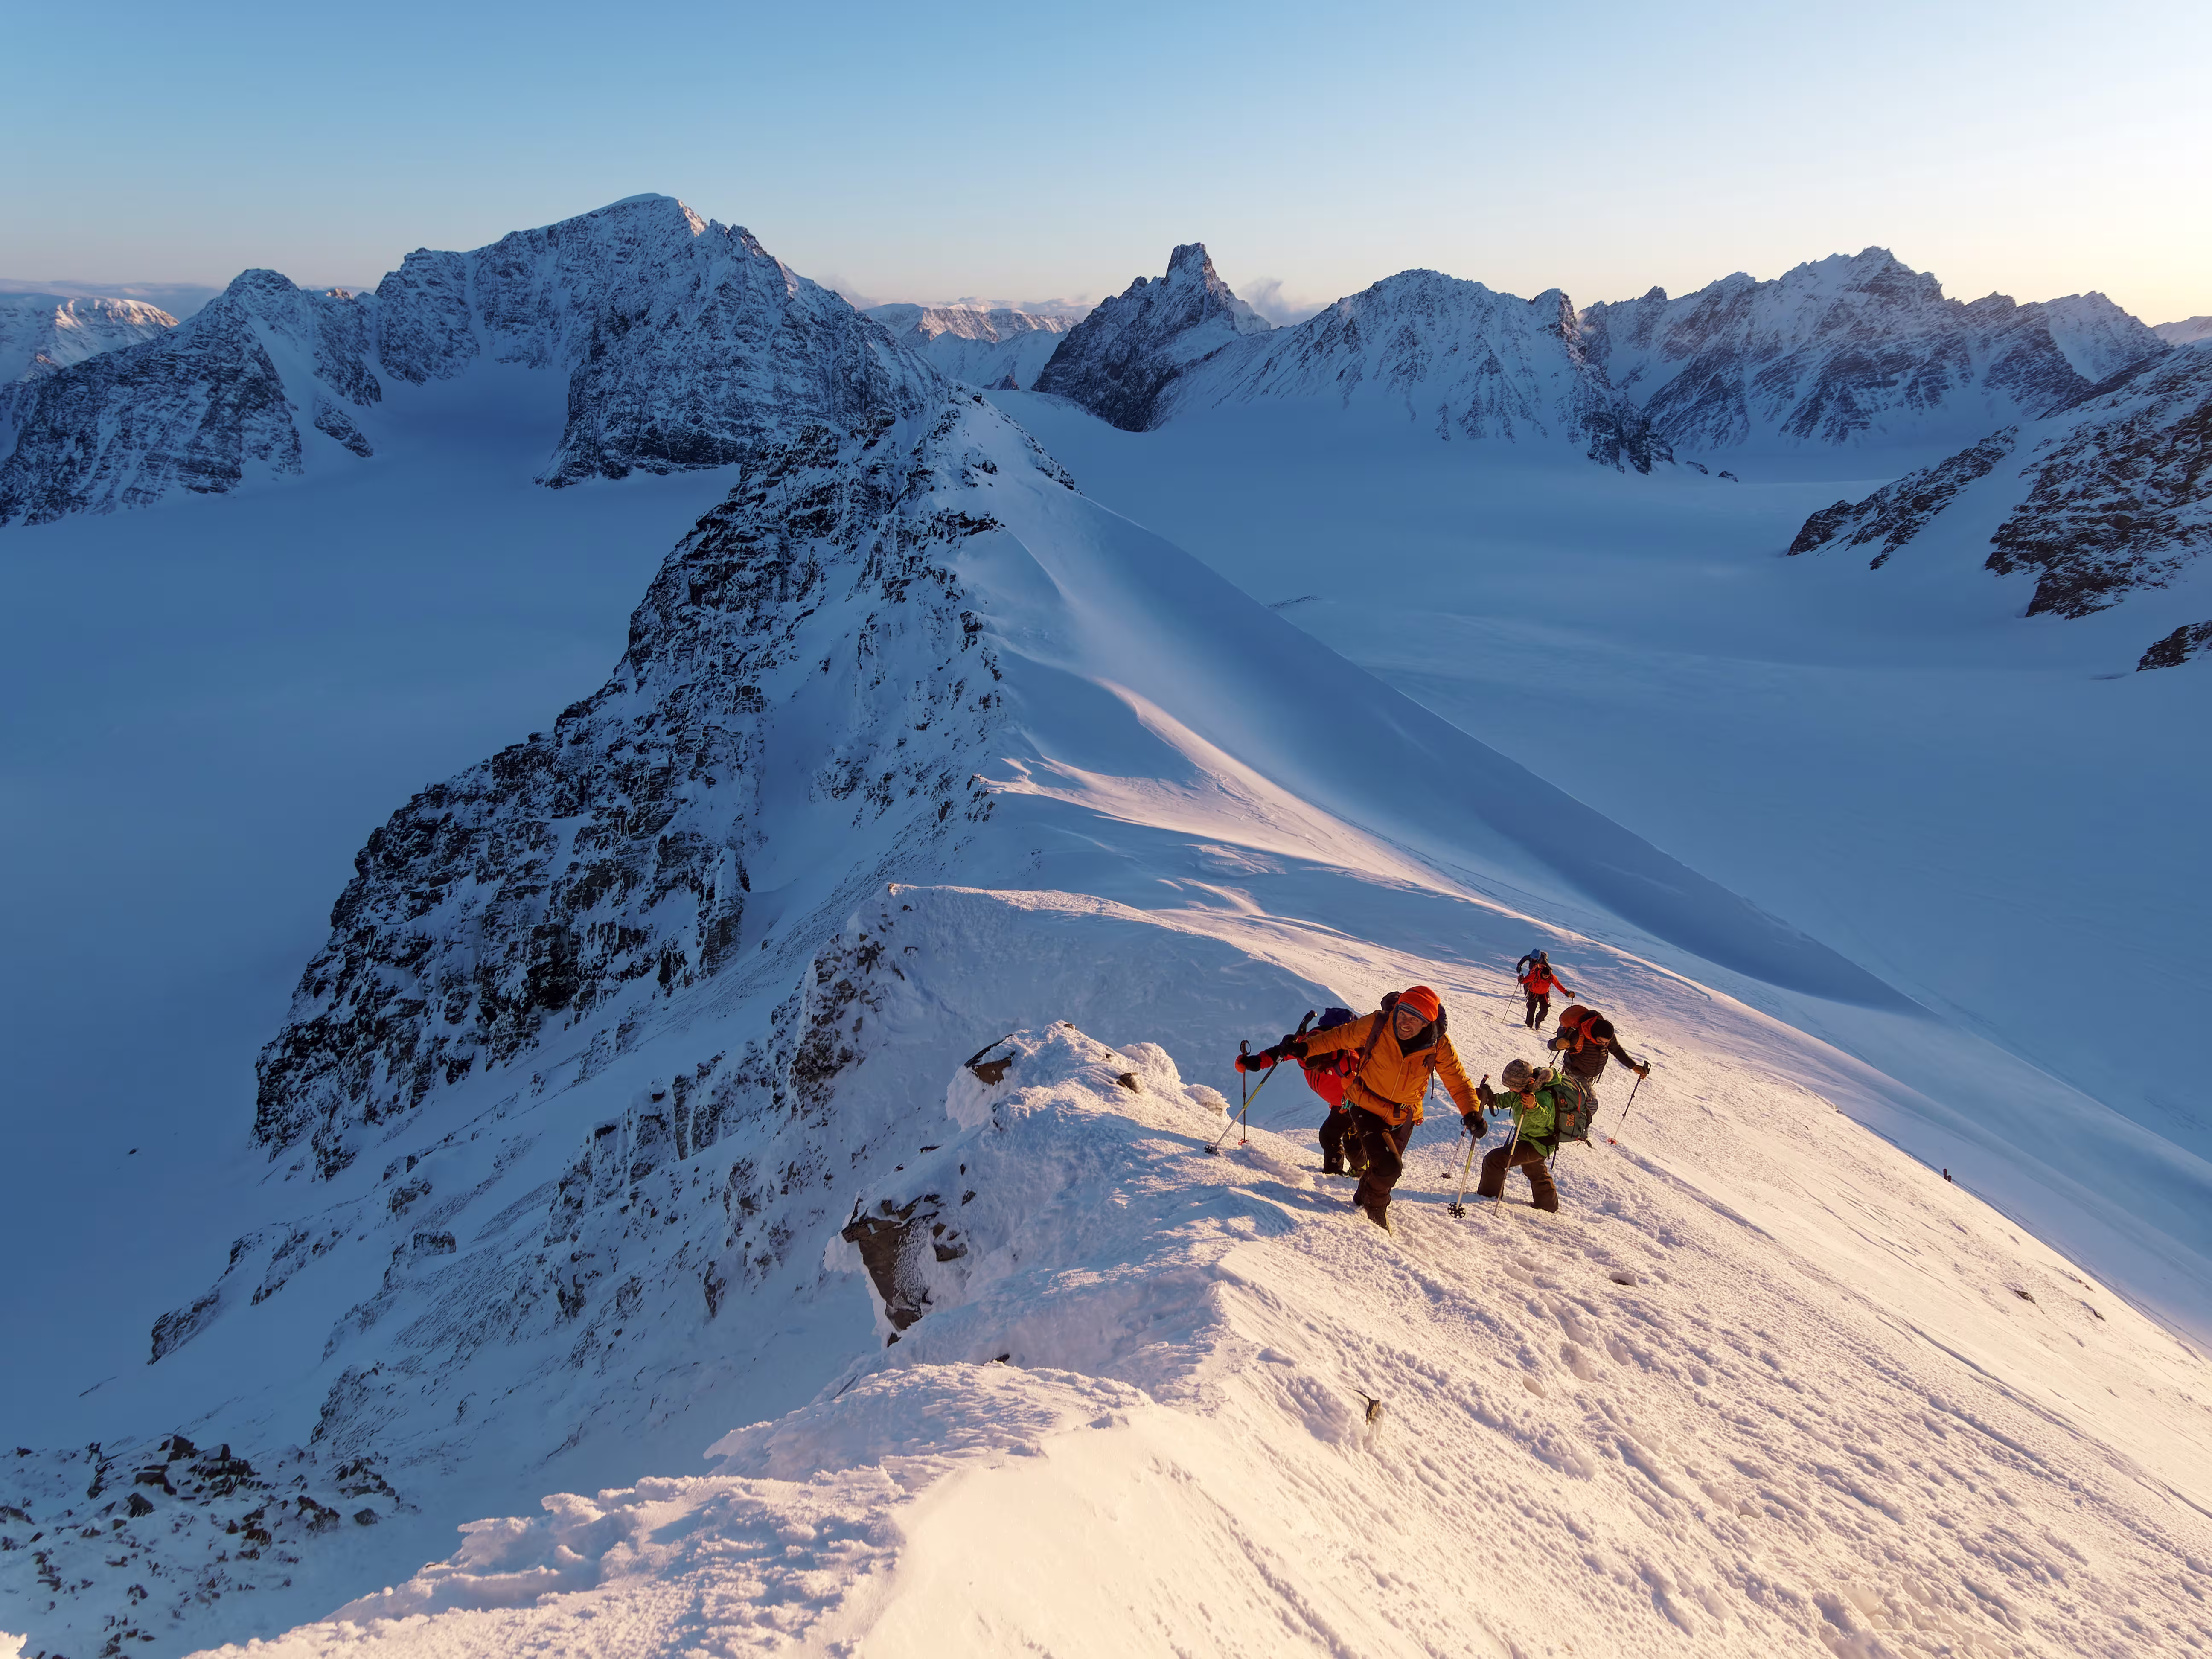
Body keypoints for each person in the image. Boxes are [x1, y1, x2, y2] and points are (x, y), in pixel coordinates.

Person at [1273, 986, 1479, 1230]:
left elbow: (1458, 1081)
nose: (1404, 1023)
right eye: (1403, 1014)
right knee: (1391, 1166)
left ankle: (1362, 1199)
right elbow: (1338, 1037)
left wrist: (1471, 1112)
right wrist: (1305, 1049)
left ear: (1427, 1022)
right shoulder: (1379, 1025)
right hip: (1365, 1103)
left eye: (1414, 1019)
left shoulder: (1439, 1045)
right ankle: (1375, 1213)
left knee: (1382, 1167)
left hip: (1403, 1114)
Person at [1473, 1059, 1581, 1211]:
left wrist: (1533, 1106)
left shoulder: (1542, 1095)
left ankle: (1487, 1199)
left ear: (1527, 1082)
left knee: (1494, 1160)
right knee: (1533, 1169)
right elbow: (1505, 1100)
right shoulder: (1523, 1089)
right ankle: (1548, 1205)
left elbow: (1546, 1119)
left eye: (1512, 1087)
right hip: (1529, 1139)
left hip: (1538, 1143)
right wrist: (1487, 1097)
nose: (1511, 1090)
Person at [1547, 1010, 1648, 1121]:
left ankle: (1563, 1119)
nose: (1605, 1045)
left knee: (1576, 1100)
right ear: (1593, 1035)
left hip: (1590, 1075)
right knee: (1592, 1105)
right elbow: (1552, 1045)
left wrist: (1633, 1066)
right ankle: (1575, 1129)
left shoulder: (1606, 1033)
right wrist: (1558, 1044)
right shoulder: (1578, 1035)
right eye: (1601, 1042)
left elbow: (1616, 1050)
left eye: (1607, 1043)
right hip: (1577, 1073)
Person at [1516, 951, 1574, 1031]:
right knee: (1532, 1009)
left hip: (1544, 994)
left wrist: (1567, 993)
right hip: (1534, 993)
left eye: (1547, 976)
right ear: (1542, 973)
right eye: (1544, 976)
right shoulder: (1536, 975)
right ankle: (1529, 1026)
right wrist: (1521, 980)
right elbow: (1527, 980)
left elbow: (1558, 985)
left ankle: (1538, 1021)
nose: (1546, 977)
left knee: (1545, 1010)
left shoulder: (1552, 977)